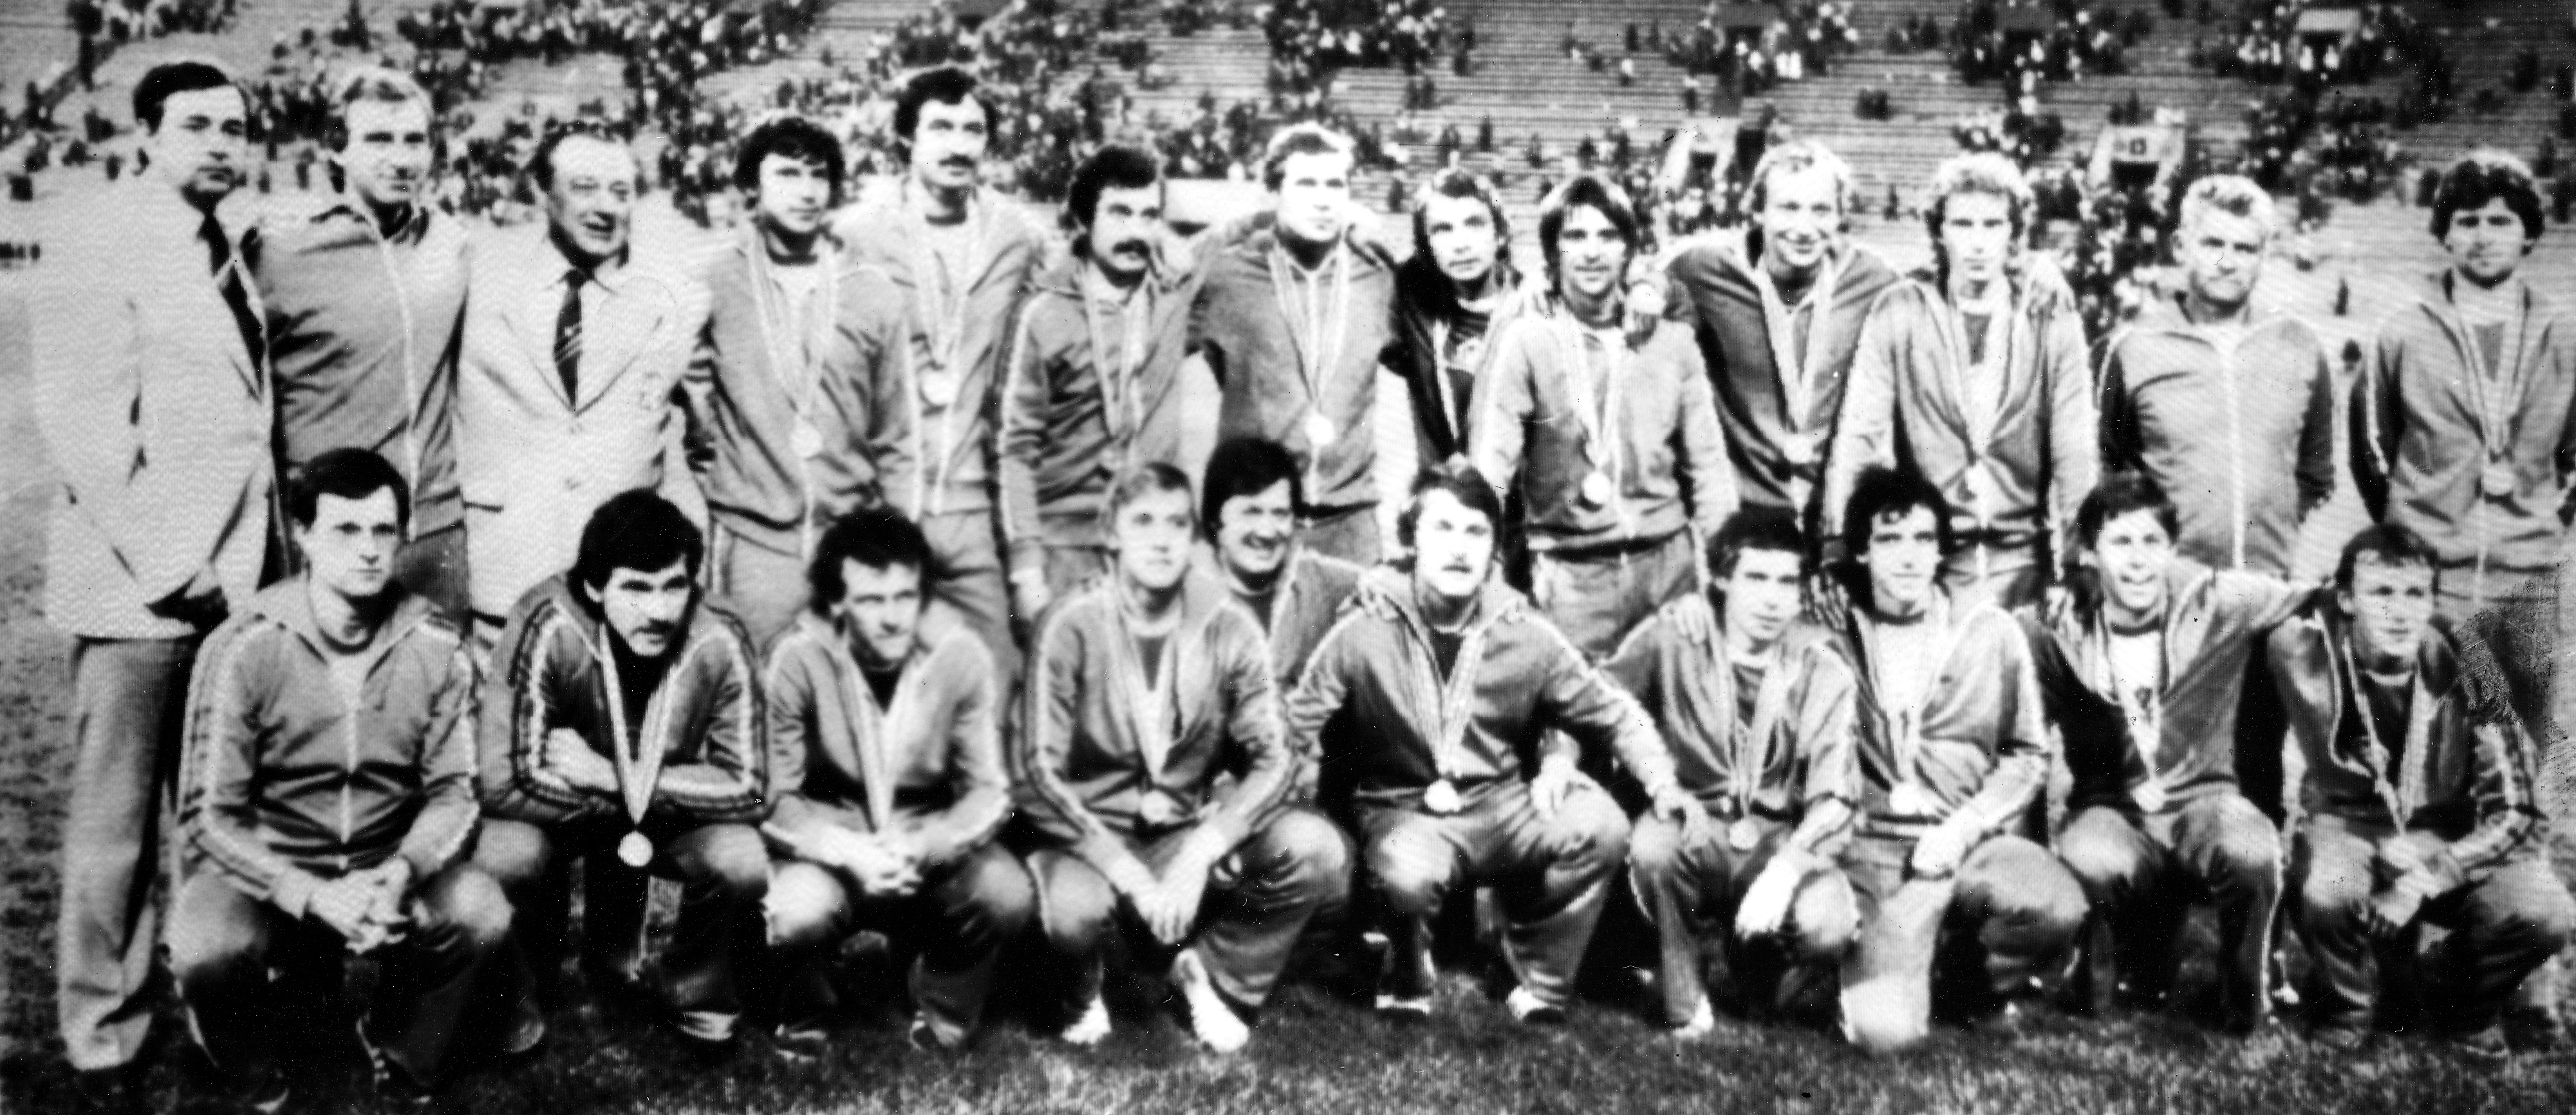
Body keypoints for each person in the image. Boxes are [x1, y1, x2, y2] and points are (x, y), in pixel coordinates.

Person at [31, 59, 270, 1106]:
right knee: (115, 830)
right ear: (146, 135)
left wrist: (232, 579)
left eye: (235, 128)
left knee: (211, 817)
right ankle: (103, 1033)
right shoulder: (101, 238)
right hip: (142, 592)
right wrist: (182, 568)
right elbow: (86, 427)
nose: (220, 143)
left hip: (230, 586)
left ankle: (207, 1005)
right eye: (197, 126)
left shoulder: (225, 243)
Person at [1285, 463, 1693, 1024]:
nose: (1459, 549)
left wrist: (1661, 780)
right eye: (1442, 528)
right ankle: (1407, 974)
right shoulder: (1365, 625)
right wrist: (1255, 797)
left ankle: (1531, 972)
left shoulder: (1525, 630)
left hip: (1498, 806)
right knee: (1407, 873)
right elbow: (1295, 724)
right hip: (1402, 809)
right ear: (1411, 541)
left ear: (1494, 551)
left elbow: (1613, 712)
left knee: (1600, 824)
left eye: (1475, 532)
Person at [170, 450, 509, 1112]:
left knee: (481, 911)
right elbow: (206, 816)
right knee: (204, 944)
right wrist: (308, 893)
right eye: (345, 530)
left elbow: (457, 793)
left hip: (386, 869)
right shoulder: (244, 644)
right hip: (276, 872)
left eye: (383, 530)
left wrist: (403, 870)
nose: (369, 549)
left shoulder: (436, 643)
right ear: (302, 536)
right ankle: (257, 1074)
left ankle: (399, 1042)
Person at [2351, 149, 2576, 1045]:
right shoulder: (2402, 329)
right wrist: (2419, 534)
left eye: (2500, 219)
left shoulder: (2562, 330)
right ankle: (2400, 959)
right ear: (2443, 232)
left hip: (2522, 586)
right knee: (2420, 769)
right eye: (2467, 219)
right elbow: (2371, 450)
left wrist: (2535, 525)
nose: (2483, 235)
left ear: (2528, 232)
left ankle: (2531, 985)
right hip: (2434, 585)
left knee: (2526, 777)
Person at [1016, 465, 1349, 1053]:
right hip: (1087, 841)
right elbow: (1038, 774)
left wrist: (1203, 849)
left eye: (1175, 524)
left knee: (1314, 847)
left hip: (1174, 834)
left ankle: (1211, 972)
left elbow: (1276, 761)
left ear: (1193, 536)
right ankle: (1083, 982)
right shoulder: (1069, 623)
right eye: (1142, 522)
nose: (1161, 540)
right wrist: (1126, 874)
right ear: (1111, 534)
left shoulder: (1227, 625)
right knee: (1073, 914)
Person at [472, 491, 770, 1059]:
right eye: (636, 588)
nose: (659, 611)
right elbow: (505, 780)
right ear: (595, 587)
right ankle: (519, 997)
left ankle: (695, 991)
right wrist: (625, 800)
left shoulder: (721, 632)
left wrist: (615, 780)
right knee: (506, 852)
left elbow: (752, 787)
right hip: (564, 808)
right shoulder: (548, 620)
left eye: (673, 587)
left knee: (741, 856)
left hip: (635, 803)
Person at [2021, 472, 2313, 1034]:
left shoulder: (2214, 602)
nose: (2138, 561)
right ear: (2090, 552)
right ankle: (2098, 987)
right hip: (2113, 807)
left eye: (2152, 542)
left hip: (2204, 800)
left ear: (2173, 548)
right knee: (2090, 855)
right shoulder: (2061, 626)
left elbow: (2318, 597)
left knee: (2251, 845)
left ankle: (2246, 1001)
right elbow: (1998, 649)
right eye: (2120, 543)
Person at [2279, 523, 2573, 1057]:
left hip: (2444, 833)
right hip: (2352, 824)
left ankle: (2460, 1001)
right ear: (2347, 600)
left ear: (2433, 601)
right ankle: (2348, 1006)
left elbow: (2520, 810)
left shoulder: (2470, 662)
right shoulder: (2307, 650)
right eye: (2381, 593)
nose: (2399, 612)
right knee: (2328, 889)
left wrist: (2422, 879)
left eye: (2415, 594)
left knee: (2545, 911)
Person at [2096, 173, 2336, 825]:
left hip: (2264, 599)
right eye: (2214, 244)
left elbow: (2315, 472)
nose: (2228, 261)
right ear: (2182, 247)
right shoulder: (2134, 348)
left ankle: (2254, 882)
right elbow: (2111, 473)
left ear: (2265, 255)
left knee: (2257, 768)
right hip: (2171, 601)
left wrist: (2268, 541)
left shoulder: (2300, 345)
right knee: (2160, 771)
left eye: (2245, 247)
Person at [1825, 467, 2087, 1053]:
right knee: (1883, 1034)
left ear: (1942, 550)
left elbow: (2028, 754)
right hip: (1877, 851)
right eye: (1890, 539)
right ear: (1862, 551)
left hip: (1966, 842)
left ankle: (1971, 975)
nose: (1910, 556)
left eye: (1924, 539)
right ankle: (1886, 963)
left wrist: (1966, 826)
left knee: (2056, 906)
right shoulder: (1836, 632)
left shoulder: (1990, 630)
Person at [761, 508, 1033, 1053]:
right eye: (871, 600)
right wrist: (846, 850)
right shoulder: (797, 657)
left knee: (1005, 893)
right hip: (834, 840)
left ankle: (941, 1006)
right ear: (837, 603)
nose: (892, 619)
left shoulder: (959, 653)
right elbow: (774, 797)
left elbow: (989, 791)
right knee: (796, 909)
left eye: (905, 597)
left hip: (920, 839)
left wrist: (926, 844)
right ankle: (806, 1012)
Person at [1605, 508, 1862, 1036]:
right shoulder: (1676, 635)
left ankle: (1761, 976)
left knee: (1828, 923)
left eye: (1787, 583)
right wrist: (1646, 775)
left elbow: (1836, 795)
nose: (1772, 599)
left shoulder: (1823, 665)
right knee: (1656, 849)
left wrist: (1789, 866)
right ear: (1723, 580)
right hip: (1694, 824)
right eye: (1756, 578)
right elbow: (1598, 699)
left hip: (1775, 836)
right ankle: (1682, 988)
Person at [834, 67, 1051, 673]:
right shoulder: (856, 236)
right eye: (941, 128)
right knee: (880, 689)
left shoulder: (1018, 236)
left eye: (972, 130)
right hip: (886, 504)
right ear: (907, 137)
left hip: (977, 510)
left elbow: (1070, 302)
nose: (959, 146)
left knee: (999, 679)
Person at [454, 123, 704, 642]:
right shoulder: (478, 277)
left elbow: (710, 441)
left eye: (621, 191)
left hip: (627, 593)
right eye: (584, 187)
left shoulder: (676, 298)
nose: (605, 207)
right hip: (507, 579)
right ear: (542, 192)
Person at [1468, 173, 1734, 659]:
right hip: (1571, 576)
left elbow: (1711, 472)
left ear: (1629, 250)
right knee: (1575, 707)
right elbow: (1490, 470)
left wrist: (1720, 577)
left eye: (1607, 236)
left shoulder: (1673, 343)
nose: (1592, 252)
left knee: (1677, 705)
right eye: (1575, 236)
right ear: (1553, 251)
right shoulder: (1527, 341)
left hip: (1669, 571)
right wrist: (1487, 574)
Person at [1823, 153, 2096, 614]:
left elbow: (2074, 445)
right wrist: (1837, 542)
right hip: (1931, 564)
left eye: (1993, 225)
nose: (1978, 243)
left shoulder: (2048, 313)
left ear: (2014, 233)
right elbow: (1860, 434)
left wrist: (2079, 559)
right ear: (1939, 231)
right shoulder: (1900, 310)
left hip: (2024, 562)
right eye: (1963, 225)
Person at [687, 116, 913, 648]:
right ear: (751, 187)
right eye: (787, 174)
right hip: (753, 545)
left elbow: (898, 437)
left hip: (851, 543)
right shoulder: (716, 281)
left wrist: (895, 543)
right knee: (749, 684)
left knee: (843, 689)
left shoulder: (871, 290)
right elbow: (693, 407)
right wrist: (729, 482)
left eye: (818, 176)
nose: (807, 192)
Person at [256, 66, 470, 616]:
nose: (400, 159)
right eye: (378, 139)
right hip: (333, 535)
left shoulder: (450, 244)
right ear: (336, 147)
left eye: (414, 141)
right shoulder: (279, 252)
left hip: (435, 532)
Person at [1661, 139, 1901, 547]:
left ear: (1840, 215)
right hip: (1745, 522)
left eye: (1821, 210)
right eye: (1789, 208)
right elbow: (1640, 282)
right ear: (1758, 211)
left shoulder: (1874, 279)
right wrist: (1643, 287)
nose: (1804, 229)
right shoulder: (1704, 270)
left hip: (1833, 521)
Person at [1190, 122, 1410, 565]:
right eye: (1306, 184)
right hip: (1255, 515)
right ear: (1274, 192)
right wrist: (1243, 224)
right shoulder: (1228, 277)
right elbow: (1159, 294)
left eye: (1335, 185)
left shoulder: (1376, 278)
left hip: (1350, 523)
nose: (1323, 200)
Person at [998, 145, 1197, 617]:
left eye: (1149, 216)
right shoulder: (1043, 313)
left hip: (1152, 542)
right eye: (1120, 213)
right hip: (1066, 543)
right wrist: (1027, 571)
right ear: (1085, 220)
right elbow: (1013, 450)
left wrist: (1354, 225)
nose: (1136, 232)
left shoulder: (1174, 291)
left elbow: (1243, 229)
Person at [1199, 437, 1367, 688]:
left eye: (1280, 514)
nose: (1266, 532)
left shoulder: (1321, 585)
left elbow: (1387, 591)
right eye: (1251, 512)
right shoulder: (1188, 595)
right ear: (1215, 519)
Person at [1387, 167, 1526, 465]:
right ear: (1427, 246)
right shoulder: (1412, 301)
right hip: (1444, 485)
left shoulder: (1534, 308)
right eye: (1443, 229)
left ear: (1500, 234)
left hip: (1516, 487)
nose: (1461, 244)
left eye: (1474, 224)